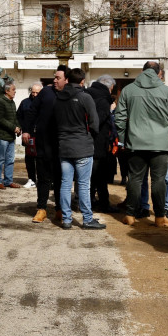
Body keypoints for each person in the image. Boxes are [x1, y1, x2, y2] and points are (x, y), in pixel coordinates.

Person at [114, 61, 168, 228]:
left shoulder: (128, 90)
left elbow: (119, 118)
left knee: (134, 179)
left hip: (135, 141)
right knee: (158, 180)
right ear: (159, 74)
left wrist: (122, 138)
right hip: (161, 142)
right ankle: (159, 217)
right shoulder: (167, 91)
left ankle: (130, 214)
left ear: (142, 71)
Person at [55, 68, 103, 230]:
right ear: (82, 81)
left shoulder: (58, 98)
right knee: (83, 185)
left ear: (67, 79)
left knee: (65, 184)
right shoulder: (85, 97)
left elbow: (55, 123)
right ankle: (87, 219)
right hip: (82, 145)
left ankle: (67, 219)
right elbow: (95, 123)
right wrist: (90, 137)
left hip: (64, 146)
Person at [23, 65, 68, 223]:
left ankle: (60, 209)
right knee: (43, 178)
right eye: (54, 77)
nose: (54, 80)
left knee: (60, 179)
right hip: (43, 143)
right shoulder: (46, 92)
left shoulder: (70, 93)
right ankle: (41, 208)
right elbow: (32, 111)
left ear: (66, 80)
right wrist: (26, 130)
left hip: (62, 144)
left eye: (58, 78)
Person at [87, 75, 120, 213]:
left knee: (91, 176)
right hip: (98, 141)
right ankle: (102, 204)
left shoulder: (88, 93)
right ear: (110, 87)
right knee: (99, 175)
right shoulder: (103, 100)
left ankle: (90, 201)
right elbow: (98, 121)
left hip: (87, 140)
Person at [0, 82, 21, 189]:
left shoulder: (12, 102)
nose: (15, 92)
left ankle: (8, 181)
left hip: (10, 136)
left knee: (10, 159)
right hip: (1, 136)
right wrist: (14, 128)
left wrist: (18, 128)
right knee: (0, 159)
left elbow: (15, 118)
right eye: (13, 89)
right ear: (7, 91)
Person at [17, 82, 42, 188]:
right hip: (28, 134)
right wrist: (22, 128)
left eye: (37, 93)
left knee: (41, 159)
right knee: (29, 159)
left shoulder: (45, 103)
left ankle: (43, 180)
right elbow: (18, 117)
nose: (35, 95)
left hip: (41, 135)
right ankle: (31, 179)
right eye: (33, 92)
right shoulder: (25, 102)